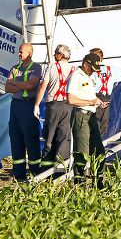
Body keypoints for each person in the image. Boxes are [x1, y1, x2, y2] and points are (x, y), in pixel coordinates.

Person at [34, 44, 76, 171]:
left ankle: (46, 170)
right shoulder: (74, 69)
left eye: (55, 54)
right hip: (68, 106)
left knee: (49, 137)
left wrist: (36, 105)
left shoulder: (52, 66)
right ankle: (60, 170)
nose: (54, 56)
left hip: (53, 105)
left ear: (60, 55)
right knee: (64, 138)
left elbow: (43, 87)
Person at [5, 43, 43, 180]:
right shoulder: (15, 68)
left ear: (29, 53)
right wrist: (21, 86)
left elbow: (31, 85)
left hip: (28, 106)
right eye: (19, 52)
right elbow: (7, 88)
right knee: (16, 138)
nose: (19, 54)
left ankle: (35, 173)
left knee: (31, 139)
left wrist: (15, 83)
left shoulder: (36, 68)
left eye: (22, 52)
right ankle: (18, 173)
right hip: (15, 105)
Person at [66, 53, 105, 177]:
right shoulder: (75, 76)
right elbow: (71, 100)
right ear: (85, 64)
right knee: (81, 152)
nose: (93, 71)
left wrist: (98, 102)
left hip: (92, 116)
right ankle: (79, 183)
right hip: (81, 116)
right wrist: (91, 102)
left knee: (99, 151)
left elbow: (90, 95)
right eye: (92, 68)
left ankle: (98, 181)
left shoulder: (90, 76)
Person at [90, 48, 121, 138]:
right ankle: (98, 146)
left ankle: (93, 148)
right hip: (106, 98)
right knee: (103, 125)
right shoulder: (111, 70)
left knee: (93, 124)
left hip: (94, 98)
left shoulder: (90, 71)